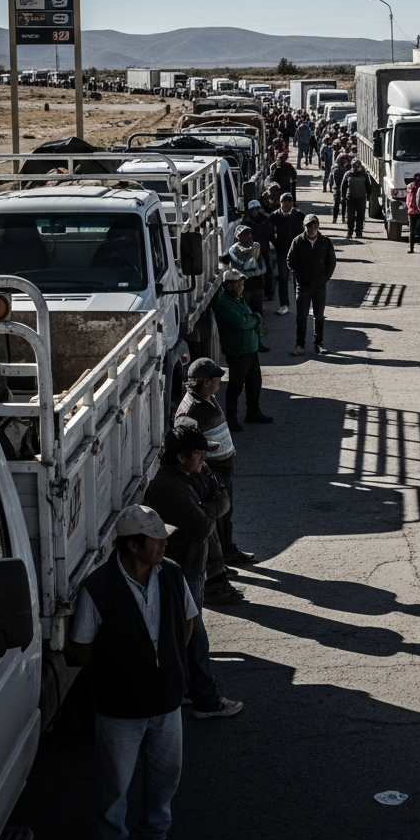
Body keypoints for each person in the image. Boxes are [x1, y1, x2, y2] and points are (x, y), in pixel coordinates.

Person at [69, 505, 199, 840]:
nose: (164, 544)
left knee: (165, 779)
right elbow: (81, 646)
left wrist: (168, 663)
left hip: (166, 703)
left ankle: (156, 837)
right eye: (156, 539)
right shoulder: (97, 588)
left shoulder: (171, 574)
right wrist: (117, 673)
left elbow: (187, 621)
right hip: (120, 710)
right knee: (114, 788)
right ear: (133, 546)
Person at [144, 422, 244, 721]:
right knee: (194, 635)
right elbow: (201, 527)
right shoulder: (168, 486)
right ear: (181, 457)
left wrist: (206, 508)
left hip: (196, 566)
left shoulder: (196, 474)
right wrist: (209, 510)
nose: (204, 459)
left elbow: (222, 498)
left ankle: (186, 688)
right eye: (198, 454)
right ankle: (207, 700)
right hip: (180, 571)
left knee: (187, 634)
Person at [175, 357, 254, 567]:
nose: (220, 383)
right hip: (212, 472)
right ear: (206, 382)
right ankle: (219, 564)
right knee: (218, 517)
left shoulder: (207, 398)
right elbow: (185, 444)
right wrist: (207, 447)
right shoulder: (190, 409)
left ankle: (228, 552)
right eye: (217, 379)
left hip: (223, 469)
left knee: (226, 514)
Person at [212, 269, 272, 426]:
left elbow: (251, 316)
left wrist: (253, 318)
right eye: (238, 283)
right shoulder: (224, 302)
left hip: (250, 348)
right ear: (228, 285)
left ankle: (253, 412)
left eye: (242, 282)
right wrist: (254, 319)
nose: (241, 285)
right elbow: (241, 323)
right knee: (236, 386)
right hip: (238, 351)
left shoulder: (239, 299)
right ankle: (231, 419)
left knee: (254, 384)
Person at [287, 214, 336, 356]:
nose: (312, 229)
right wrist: (299, 276)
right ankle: (299, 345)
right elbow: (290, 261)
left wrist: (324, 278)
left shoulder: (325, 242)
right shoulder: (298, 241)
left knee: (319, 316)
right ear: (305, 227)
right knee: (301, 317)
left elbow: (331, 262)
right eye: (309, 226)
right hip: (303, 287)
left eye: (314, 226)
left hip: (319, 287)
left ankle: (319, 343)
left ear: (318, 227)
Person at [225, 225, 268, 343]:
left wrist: (257, 271)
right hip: (244, 288)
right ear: (239, 237)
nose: (248, 236)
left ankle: (258, 341)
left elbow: (262, 265)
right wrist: (250, 270)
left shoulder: (256, 246)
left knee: (258, 314)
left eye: (249, 233)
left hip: (257, 286)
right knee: (245, 314)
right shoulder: (234, 250)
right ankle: (245, 341)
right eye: (245, 234)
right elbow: (239, 266)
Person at [269, 192, 305, 316]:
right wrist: (276, 244)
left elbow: (304, 233)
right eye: (284, 201)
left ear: (293, 203)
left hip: (296, 252)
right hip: (282, 252)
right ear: (280, 203)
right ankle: (284, 305)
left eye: (289, 201)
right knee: (283, 278)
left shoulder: (299, 215)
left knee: (298, 279)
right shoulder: (274, 216)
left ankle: (300, 304)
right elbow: (270, 233)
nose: (287, 204)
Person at [244, 199, 277, 303]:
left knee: (267, 273)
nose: (254, 212)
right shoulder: (246, 222)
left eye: (256, 210)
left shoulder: (265, 221)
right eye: (252, 210)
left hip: (263, 251)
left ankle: (269, 293)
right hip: (250, 252)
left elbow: (271, 233)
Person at [341, 159, 369, 238]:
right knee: (350, 217)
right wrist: (343, 197)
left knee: (360, 217)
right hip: (351, 199)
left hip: (361, 199)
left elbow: (368, 186)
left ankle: (359, 232)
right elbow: (343, 186)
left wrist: (368, 196)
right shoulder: (348, 174)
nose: (359, 168)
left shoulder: (364, 175)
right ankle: (350, 232)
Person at [406, 172, 420, 254]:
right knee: (412, 230)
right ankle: (411, 247)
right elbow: (410, 199)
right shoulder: (412, 187)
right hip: (413, 211)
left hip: (419, 211)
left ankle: (418, 246)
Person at [330, 152, 350, 224]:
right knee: (344, 204)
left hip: (336, 189)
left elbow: (331, 179)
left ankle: (334, 218)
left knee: (336, 204)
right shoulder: (345, 171)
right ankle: (343, 218)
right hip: (343, 189)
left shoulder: (334, 168)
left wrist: (330, 186)